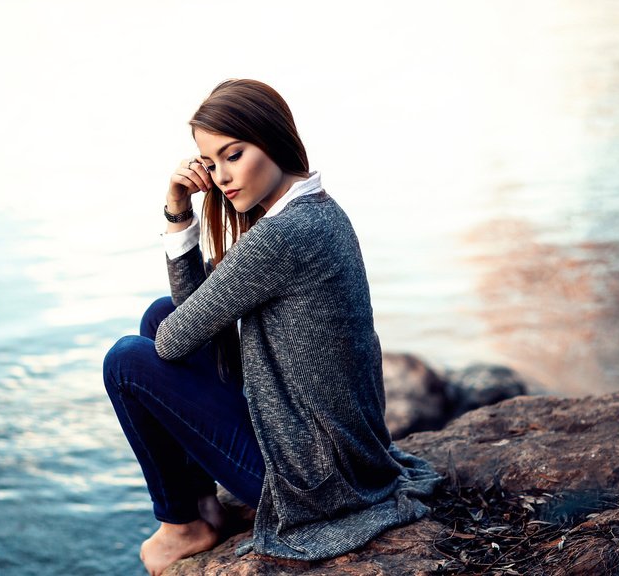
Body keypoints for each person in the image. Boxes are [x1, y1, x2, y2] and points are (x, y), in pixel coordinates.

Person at [102, 78, 442, 576]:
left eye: (233, 155)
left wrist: (177, 212)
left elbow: (176, 342)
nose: (220, 176)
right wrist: (180, 208)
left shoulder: (284, 235)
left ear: (273, 139)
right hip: (339, 453)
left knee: (127, 361)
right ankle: (206, 507)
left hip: (313, 480)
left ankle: (182, 524)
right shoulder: (317, 210)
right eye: (211, 163)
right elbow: (188, 319)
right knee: (159, 314)